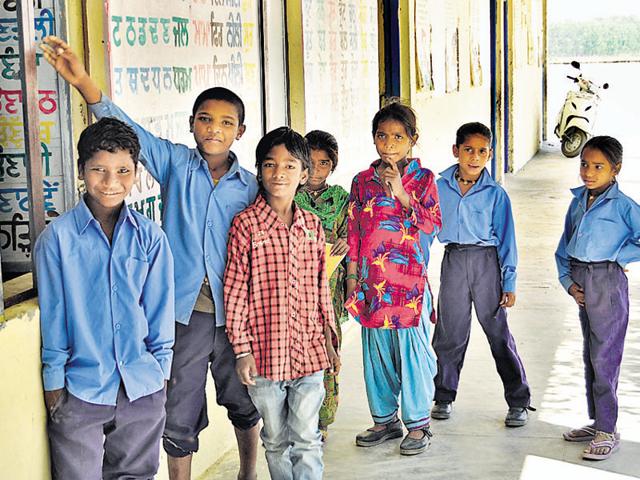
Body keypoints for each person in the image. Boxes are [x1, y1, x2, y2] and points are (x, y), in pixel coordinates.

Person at [41, 35, 261, 480]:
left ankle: (249, 471)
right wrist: (83, 81)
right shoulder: (176, 163)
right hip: (186, 313)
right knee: (178, 406)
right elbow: (129, 136)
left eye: (225, 122)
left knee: (243, 397)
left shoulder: (251, 185)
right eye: (204, 119)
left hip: (236, 311)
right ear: (191, 124)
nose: (213, 129)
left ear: (240, 131)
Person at [35, 117, 175, 479]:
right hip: (81, 389)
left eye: (123, 170)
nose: (112, 182)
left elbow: (160, 315)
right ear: (82, 170)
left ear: (135, 171)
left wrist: (160, 376)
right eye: (99, 169)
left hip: (142, 388)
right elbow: (55, 316)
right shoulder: (58, 239)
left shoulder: (150, 238)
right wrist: (54, 386)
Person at [224, 127, 339, 480]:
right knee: (275, 439)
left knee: (307, 437)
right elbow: (235, 291)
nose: (279, 173)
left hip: (308, 351)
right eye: (270, 165)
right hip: (264, 356)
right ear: (259, 171)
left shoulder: (312, 226)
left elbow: (322, 287)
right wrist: (242, 350)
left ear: (304, 174)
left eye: (290, 166)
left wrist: (330, 339)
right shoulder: (246, 225)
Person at [346, 101, 441, 456]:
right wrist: (353, 277)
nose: (389, 144)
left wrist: (401, 193)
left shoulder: (424, 179)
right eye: (382, 136)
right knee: (377, 355)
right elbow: (354, 231)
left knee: (413, 355)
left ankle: (419, 425)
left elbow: (432, 224)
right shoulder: (362, 181)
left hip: (409, 287)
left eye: (398, 137)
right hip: (373, 285)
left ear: (412, 139)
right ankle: (386, 421)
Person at [431, 122, 532, 427]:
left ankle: (518, 401)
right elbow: (426, 229)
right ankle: (444, 395)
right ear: (455, 151)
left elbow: (507, 239)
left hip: (487, 263)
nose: (474, 157)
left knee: (498, 333)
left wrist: (509, 281)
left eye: (482, 151)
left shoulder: (495, 194)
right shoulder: (438, 188)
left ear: (490, 154)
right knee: (449, 333)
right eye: (468, 150)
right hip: (454, 262)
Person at [555, 135, 640, 461]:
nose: (589, 172)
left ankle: (608, 429)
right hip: (582, 281)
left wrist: (621, 255)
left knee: (605, 356)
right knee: (592, 354)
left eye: (598, 167)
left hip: (607, 283)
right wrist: (568, 282)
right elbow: (564, 246)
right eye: (585, 164)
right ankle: (597, 421)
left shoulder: (623, 206)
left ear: (615, 169)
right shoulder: (578, 202)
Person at [294, 130, 348, 442]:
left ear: (332, 166)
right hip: (295, 290)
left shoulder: (341, 198)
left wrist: (343, 241)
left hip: (329, 290)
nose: (316, 170)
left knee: (329, 352)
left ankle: (323, 420)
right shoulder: (289, 195)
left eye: (324, 163)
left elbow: (351, 235)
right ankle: (300, 418)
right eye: (310, 162)